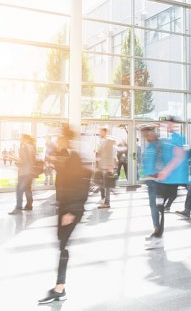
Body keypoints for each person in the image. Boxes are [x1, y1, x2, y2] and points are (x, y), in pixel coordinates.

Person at [38, 127, 91, 304]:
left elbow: (82, 185)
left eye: (61, 138)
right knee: (62, 242)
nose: (58, 141)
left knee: (63, 244)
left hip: (71, 209)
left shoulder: (74, 158)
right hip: (66, 207)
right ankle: (60, 286)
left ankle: (59, 288)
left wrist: (70, 211)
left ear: (66, 140)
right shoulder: (67, 158)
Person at [8, 135, 36, 214]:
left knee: (19, 190)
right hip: (30, 172)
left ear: (25, 139)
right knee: (27, 189)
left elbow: (22, 161)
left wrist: (15, 160)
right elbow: (31, 160)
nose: (21, 140)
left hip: (23, 173)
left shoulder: (23, 147)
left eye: (22, 138)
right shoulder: (32, 147)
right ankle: (29, 206)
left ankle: (18, 208)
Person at [96, 127, 115, 209]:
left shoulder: (109, 141)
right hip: (102, 166)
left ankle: (107, 203)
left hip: (107, 166)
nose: (99, 133)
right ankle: (104, 200)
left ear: (104, 132)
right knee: (102, 184)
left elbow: (110, 154)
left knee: (107, 185)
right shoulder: (101, 141)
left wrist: (110, 166)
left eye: (100, 132)